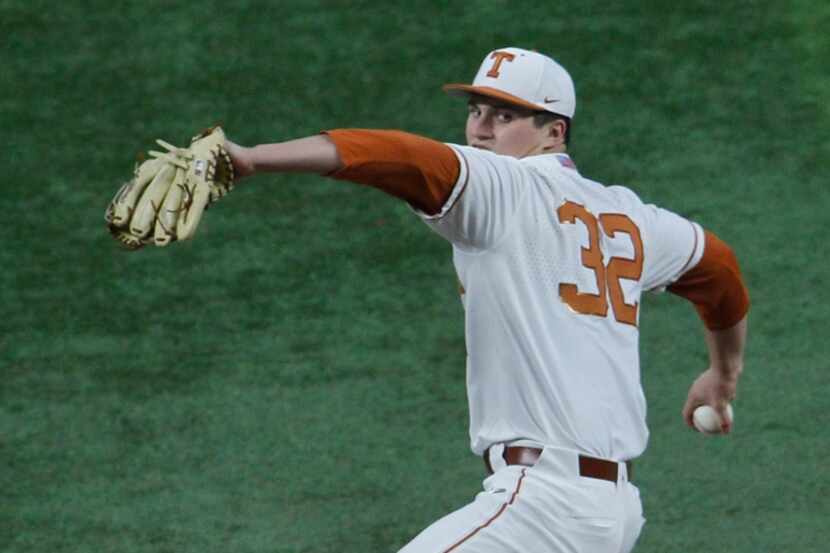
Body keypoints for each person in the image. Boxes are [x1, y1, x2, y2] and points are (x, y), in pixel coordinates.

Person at [225, 47, 749, 553]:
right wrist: (722, 375)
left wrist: (252, 159)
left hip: (542, 506)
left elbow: (395, 155)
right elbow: (718, 269)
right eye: (476, 111)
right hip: (614, 511)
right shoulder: (631, 217)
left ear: (554, 132)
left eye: (504, 115)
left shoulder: (503, 185)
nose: (480, 128)